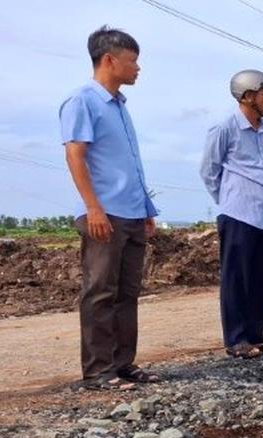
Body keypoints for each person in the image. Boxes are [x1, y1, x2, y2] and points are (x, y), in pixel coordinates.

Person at [60, 27, 159, 391]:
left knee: (127, 293)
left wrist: (146, 207)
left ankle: (122, 364)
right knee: (100, 291)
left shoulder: (119, 106)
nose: (138, 68)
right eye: (132, 60)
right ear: (109, 60)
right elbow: (75, 155)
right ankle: (98, 370)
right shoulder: (82, 101)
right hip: (104, 212)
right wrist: (93, 208)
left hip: (131, 212)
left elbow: (129, 163)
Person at [199, 69, 263, 360]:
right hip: (238, 213)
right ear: (248, 96)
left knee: (261, 276)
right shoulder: (225, 127)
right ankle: (236, 338)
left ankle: (256, 333)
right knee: (236, 278)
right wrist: (227, 200)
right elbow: (208, 170)